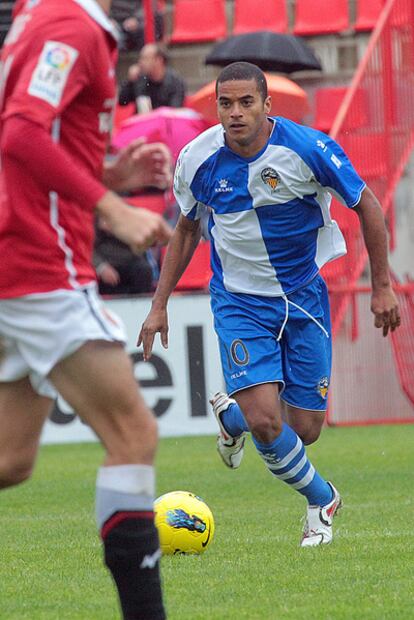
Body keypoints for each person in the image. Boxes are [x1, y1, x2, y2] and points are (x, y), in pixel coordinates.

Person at [138, 62, 401, 548]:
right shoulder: (198, 159)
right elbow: (188, 229)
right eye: (225, 103)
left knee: (304, 429)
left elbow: (366, 204)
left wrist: (381, 285)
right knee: (267, 422)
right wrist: (160, 304)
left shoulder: (308, 149)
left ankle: (230, 416)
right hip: (239, 302)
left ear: (267, 106)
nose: (235, 114)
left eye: (245, 103)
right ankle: (322, 499)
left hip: (303, 298)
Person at [0, 1, 172, 618]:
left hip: (19, 261)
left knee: (10, 459)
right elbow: (19, 131)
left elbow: (33, 139)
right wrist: (114, 207)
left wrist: (111, 176)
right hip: (38, 266)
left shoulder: (42, 18)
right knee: (134, 433)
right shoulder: (68, 23)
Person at [119, 43, 186, 113]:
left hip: (164, 121)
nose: (140, 62)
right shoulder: (140, 80)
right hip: (143, 121)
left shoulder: (175, 82)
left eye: (145, 58)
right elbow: (122, 102)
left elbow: (174, 111)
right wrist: (130, 82)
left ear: (159, 60)